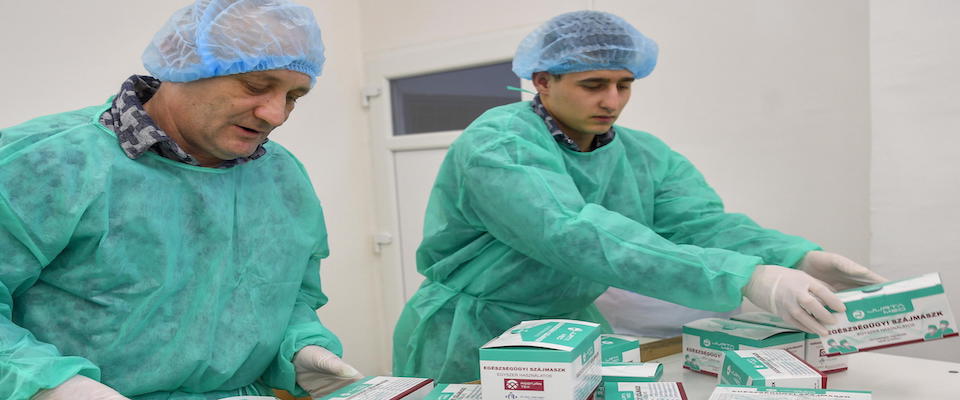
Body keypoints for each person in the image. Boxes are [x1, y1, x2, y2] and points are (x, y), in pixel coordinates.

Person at [391, 10, 887, 383]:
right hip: (475, 332)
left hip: (573, 329)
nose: (612, 101)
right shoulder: (499, 143)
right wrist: (745, 277)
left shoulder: (642, 154)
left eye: (624, 85)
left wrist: (796, 256)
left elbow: (701, 223)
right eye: (593, 85)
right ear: (542, 82)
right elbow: (569, 231)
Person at [0, 0, 362, 399]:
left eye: (294, 96)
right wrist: (51, 384)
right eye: (257, 86)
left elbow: (289, 295)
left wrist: (299, 346)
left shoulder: (281, 175)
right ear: (184, 68)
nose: (275, 115)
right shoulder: (47, 162)